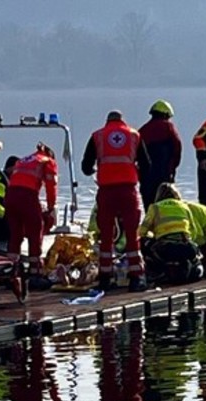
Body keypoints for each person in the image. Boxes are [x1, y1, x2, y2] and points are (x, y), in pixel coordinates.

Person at [81, 110, 150, 292]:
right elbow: (147, 165)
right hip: (128, 191)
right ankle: (136, 278)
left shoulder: (97, 136)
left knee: (105, 236)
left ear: (107, 121)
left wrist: (101, 166)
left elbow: (86, 167)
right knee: (132, 235)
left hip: (106, 191)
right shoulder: (134, 135)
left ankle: (105, 278)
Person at [5, 143, 58, 289]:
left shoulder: (23, 160)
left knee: (16, 234)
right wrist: (51, 206)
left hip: (10, 196)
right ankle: (35, 274)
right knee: (36, 231)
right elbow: (51, 186)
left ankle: (11, 272)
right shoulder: (47, 161)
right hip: (27, 196)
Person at [139, 184, 204, 284]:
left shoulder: (155, 207)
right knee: (196, 255)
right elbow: (194, 231)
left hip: (166, 249)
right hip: (187, 247)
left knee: (143, 243)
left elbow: (141, 232)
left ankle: (156, 272)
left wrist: (154, 235)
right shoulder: (184, 206)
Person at [138, 99, 183, 211]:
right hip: (164, 175)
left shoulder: (143, 130)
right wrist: (173, 169)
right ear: (166, 114)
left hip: (146, 177)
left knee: (149, 207)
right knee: (165, 206)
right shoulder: (168, 127)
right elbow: (177, 148)